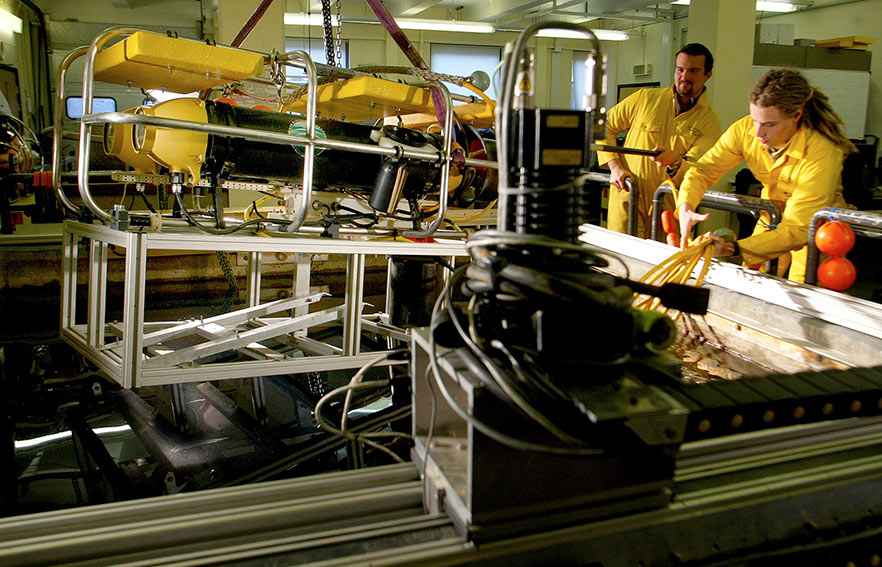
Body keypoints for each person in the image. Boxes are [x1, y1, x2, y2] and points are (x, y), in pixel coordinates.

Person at [676, 68, 856, 283]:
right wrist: (686, 205)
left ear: (797, 115)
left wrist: (733, 247)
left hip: (814, 228)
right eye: (754, 120)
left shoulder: (822, 153)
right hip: (772, 214)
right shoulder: (744, 130)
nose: (759, 132)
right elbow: (703, 169)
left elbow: (798, 228)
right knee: (751, 280)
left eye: (770, 124)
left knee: (805, 292)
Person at [596, 43, 722, 238]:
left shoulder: (709, 122)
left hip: (668, 210)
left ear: (708, 75)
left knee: (662, 265)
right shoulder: (645, 99)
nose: (685, 77)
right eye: (680, 69)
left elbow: (700, 171)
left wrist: (676, 163)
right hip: (628, 195)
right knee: (620, 263)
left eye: (694, 71)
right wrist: (614, 166)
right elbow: (603, 125)